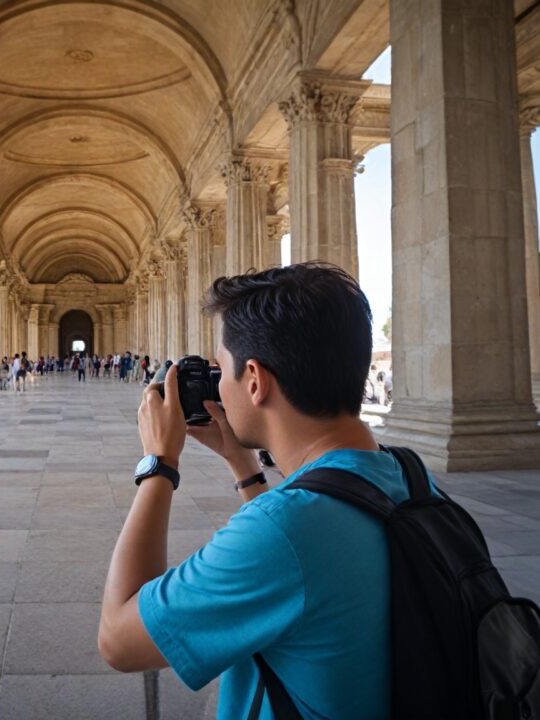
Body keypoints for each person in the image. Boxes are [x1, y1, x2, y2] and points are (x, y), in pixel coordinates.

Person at [98, 263, 421, 719]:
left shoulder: (286, 532)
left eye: (221, 368)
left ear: (254, 380)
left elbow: (118, 638)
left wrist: (159, 463)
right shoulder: (407, 474)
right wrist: (244, 467)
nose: (217, 385)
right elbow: (306, 569)